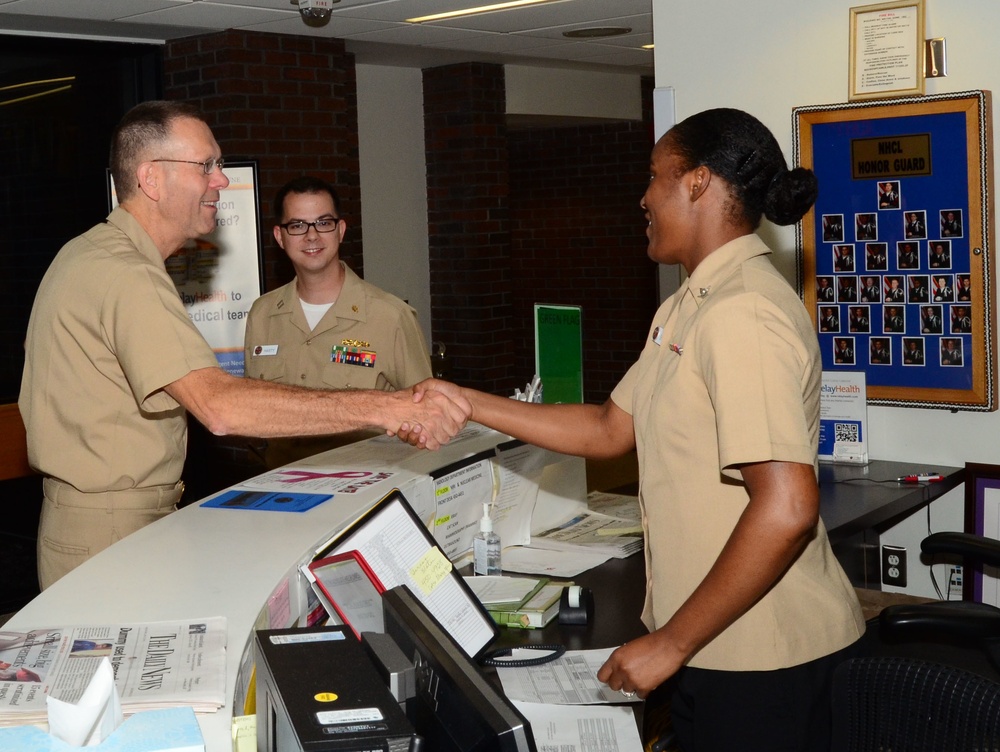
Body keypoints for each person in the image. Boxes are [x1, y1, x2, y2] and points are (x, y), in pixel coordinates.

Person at [404, 108, 865, 751]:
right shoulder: (687, 305)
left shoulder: (743, 313)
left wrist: (671, 643)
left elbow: (786, 507)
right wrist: (467, 402)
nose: (643, 196)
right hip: (712, 643)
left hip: (765, 656)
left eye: (654, 176)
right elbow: (606, 429)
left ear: (698, 183)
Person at [19, 101, 471, 590]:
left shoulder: (93, 253)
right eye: (206, 166)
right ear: (152, 179)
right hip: (111, 528)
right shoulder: (127, 274)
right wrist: (389, 408)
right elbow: (220, 408)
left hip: (102, 519)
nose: (221, 181)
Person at [244, 176, 433, 467]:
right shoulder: (262, 314)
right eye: (297, 225)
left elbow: (424, 415)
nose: (311, 236)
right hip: (283, 489)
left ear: (340, 231)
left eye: (323, 223)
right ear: (280, 237)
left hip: (365, 487)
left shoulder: (389, 316)